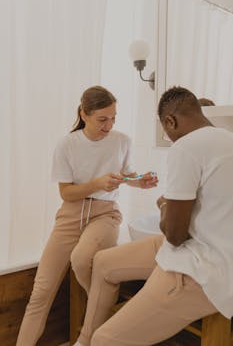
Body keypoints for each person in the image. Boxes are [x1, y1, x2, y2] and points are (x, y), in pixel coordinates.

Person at [74, 86, 233, 346]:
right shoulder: (227, 139)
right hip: (201, 248)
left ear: (170, 121)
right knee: (102, 262)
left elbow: (175, 235)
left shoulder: (186, 146)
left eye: (166, 131)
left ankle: (94, 340)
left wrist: (164, 205)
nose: (170, 138)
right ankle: (83, 341)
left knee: (105, 340)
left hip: (201, 269)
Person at [16, 85, 158, 346]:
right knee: (41, 291)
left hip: (105, 214)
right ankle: (106, 301)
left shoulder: (122, 141)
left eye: (113, 117)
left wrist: (141, 180)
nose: (109, 124)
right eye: (102, 119)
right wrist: (97, 183)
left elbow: (126, 175)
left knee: (81, 258)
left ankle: (91, 329)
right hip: (70, 215)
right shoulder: (67, 144)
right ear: (84, 114)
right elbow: (66, 194)